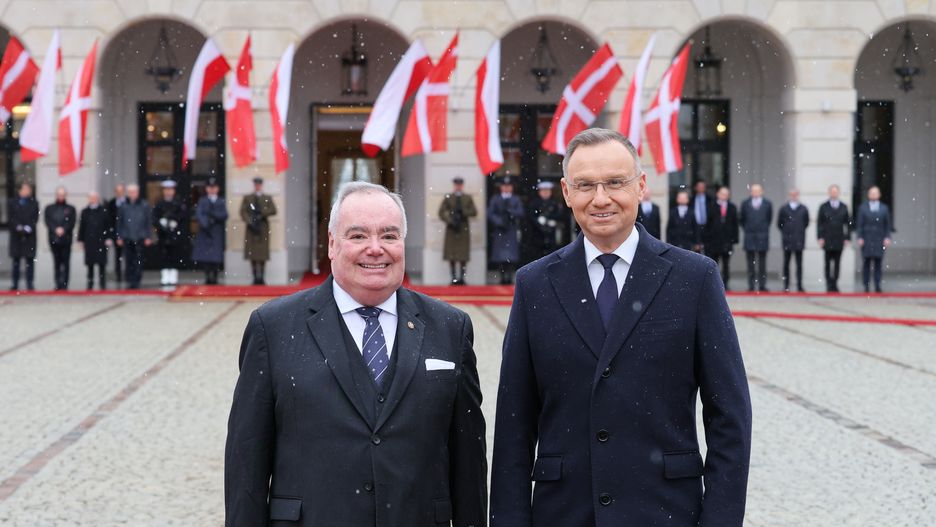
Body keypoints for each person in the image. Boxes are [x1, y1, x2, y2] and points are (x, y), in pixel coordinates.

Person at [491, 129, 751, 526]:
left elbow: (729, 417)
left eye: (615, 182)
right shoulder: (534, 284)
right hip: (564, 514)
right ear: (566, 192)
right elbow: (514, 425)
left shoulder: (694, 278)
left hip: (666, 512)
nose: (600, 198)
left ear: (641, 186)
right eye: (585, 185)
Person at [225, 181, 487, 527]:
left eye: (389, 235)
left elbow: (469, 463)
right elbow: (247, 462)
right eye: (358, 235)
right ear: (332, 244)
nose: (375, 249)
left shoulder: (451, 327)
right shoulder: (272, 328)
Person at [438, 176, 477, 285]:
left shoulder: (467, 198)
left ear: (462, 185)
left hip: (463, 228)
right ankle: (454, 277)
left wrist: (464, 212)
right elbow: (441, 212)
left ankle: (462, 277)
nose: (458, 186)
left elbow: (474, 212)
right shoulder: (449, 197)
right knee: (452, 254)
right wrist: (450, 220)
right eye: (456, 184)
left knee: (463, 255)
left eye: (460, 184)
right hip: (451, 229)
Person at [239, 177, 277, 285]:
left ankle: (262, 277)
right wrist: (250, 221)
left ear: (261, 185)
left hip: (263, 228)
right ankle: (255, 277)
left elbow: (273, 210)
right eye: (256, 184)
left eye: (259, 184)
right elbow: (242, 212)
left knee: (262, 254)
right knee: (252, 254)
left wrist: (262, 213)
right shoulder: (248, 198)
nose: (257, 186)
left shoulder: (267, 198)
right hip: (251, 228)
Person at [115, 184, 153, 290]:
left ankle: (137, 280)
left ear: (137, 193)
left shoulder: (144, 205)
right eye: (130, 192)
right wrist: (119, 236)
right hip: (127, 237)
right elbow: (119, 222)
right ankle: (130, 280)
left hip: (140, 237)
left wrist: (148, 236)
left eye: (134, 192)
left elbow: (148, 222)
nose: (132, 194)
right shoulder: (123, 205)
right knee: (129, 260)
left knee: (139, 260)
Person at [487, 177, 524, 284]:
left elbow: (521, 212)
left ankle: (509, 276)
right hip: (500, 230)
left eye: (508, 186)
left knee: (511, 255)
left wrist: (511, 212)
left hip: (511, 229)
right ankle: (502, 276)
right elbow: (490, 213)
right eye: (504, 186)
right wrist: (499, 222)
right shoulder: (496, 199)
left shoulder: (516, 199)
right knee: (500, 255)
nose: (506, 188)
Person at [856, 185, 892, 293]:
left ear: (879, 195)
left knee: (878, 263)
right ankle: (866, 285)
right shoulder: (863, 208)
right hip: (866, 238)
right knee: (866, 263)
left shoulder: (884, 208)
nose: (873, 195)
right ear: (868, 195)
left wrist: (887, 237)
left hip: (879, 239)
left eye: (875, 193)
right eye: (871, 193)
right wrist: (860, 237)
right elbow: (859, 224)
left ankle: (877, 285)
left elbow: (887, 224)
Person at [192, 178, 228, 285]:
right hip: (205, 231)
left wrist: (214, 217)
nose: (212, 190)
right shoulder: (202, 200)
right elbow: (199, 214)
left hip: (216, 231)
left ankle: (215, 277)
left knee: (215, 256)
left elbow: (224, 214)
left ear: (217, 189)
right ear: (207, 189)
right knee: (206, 256)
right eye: (210, 187)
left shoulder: (220, 201)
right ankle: (207, 276)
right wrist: (206, 223)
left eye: (214, 187)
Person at [152, 179, 188, 286]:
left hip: (174, 235)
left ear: (174, 191)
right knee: (164, 255)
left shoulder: (178, 203)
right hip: (163, 235)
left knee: (174, 255)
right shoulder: (159, 203)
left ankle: (173, 276)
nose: (168, 192)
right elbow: (154, 218)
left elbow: (183, 217)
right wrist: (161, 224)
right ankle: (165, 276)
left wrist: (175, 223)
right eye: (166, 189)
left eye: (170, 189)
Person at [703, 186, 739, 289]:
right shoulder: (711, 206)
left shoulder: (732, 207)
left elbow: (735, 224)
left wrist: (734, 239)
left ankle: (725, 283)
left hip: (727, 241)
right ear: (718, 194)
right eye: (722, 194)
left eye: (726, 194)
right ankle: (714, 284)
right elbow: (707, 224)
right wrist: (706, 239)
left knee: (726, 264)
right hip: (714, 241)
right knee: (714, 263)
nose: (724, 196)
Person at [817, 184, 851, 292]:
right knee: (827, 263)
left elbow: (848, 224)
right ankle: (828, 283)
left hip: (839, 238)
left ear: (838, 193)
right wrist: (820, 237)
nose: (834, 193)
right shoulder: (823, 206)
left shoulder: (844, 206)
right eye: (832, 191)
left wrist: (847, 238)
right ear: (829, 193)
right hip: (827, 238)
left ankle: (835, 283)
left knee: (837, 263)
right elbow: (820, 223)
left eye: (835, 191)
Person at [739, 184, 773, 292]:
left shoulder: (767, 204)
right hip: (749, 235)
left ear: (762, 191)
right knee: (750, 263)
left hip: (763, 236)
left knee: (762, 262)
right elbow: (742, 220)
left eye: (757, 190)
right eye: (753, 190)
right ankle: (751, 285)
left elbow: (769, 219)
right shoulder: (745, 204)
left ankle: (762, 285)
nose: (755, 192)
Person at [44, 186, 77, 290]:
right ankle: (58, 283)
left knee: (66, 262)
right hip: (54, 239)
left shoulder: (71, 208)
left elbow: (72, 222)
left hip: (66, 239)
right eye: (59, 194)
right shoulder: (49, 208)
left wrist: (63, 229)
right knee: (56, 262)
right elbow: (48, 221)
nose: (61, 197)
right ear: (56, 195)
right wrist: (55, 229)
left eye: (63, 195)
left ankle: (65, 284)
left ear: (65, 195)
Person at [77, 191, 112, 290]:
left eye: (95, 197)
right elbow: (82, 227)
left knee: (102, 265)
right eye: (91, 197)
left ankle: (102, 285)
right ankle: (90, 285)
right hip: (89, 241)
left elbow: (108, 226)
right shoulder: (85, 211)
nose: (93, 199)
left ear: (98, 198)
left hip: (101, 241)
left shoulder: (104, 211)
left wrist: (109, 237)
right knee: (90, 265)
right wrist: (81, 239)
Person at [8, 182, 39, 291]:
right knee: (16, 262)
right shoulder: (12, 202)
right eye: (25, 189)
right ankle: (15, 284)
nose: (27, 191)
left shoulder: (34, 203)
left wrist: (28, 227)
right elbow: (11, 217)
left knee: (29, 262)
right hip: (16, 236)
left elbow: (35, 218)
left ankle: (30, 284)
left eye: (29, 189)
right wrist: (18, 227)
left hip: (29, 236)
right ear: (20, 190)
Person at [777, 189, 810, 292]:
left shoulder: (803, 209)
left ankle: (799, 285)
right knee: (786, 264)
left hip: (799, 239)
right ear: (789, 195)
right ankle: (786, 285)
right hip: (787, 239)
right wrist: (787, 231)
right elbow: (779, 223)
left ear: (798, 195)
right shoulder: (784, 209)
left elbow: (806, 222)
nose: (794, 196)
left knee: (799, 264)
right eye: (792, 195)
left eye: (795, 195)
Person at [526, 180, 564, 261]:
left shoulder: (555, 202)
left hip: (552, 233)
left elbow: (560, 215)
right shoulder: (534, 203)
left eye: (547, 191)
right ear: (539, 192)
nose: (545, 193)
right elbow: (531, 216)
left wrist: (551, 221)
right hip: (538, 234)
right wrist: (538, 222)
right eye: (543, 191)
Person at [106, 183, 128, 284]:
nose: (119, 193)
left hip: (128, 233)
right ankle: (119, 275)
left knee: (129, 256)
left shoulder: (128, 201)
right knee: (118, 257)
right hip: (116, 233)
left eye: (121, 191)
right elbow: (109, 220)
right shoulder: (111, 203)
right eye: (118, 191)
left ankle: (128, 275)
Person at [692, 180, 709, 250]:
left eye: (702, 187)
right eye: (699, 187)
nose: (701, 188)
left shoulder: (710, 199)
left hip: (707, 226)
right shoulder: (691, 199)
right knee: (696, 249)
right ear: (695, 188)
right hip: (695, 226)